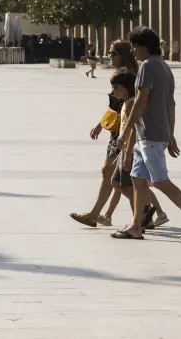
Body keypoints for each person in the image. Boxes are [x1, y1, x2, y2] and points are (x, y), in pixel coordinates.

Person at [112, 26, 181, 243]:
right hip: (151, 134)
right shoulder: (164, 67)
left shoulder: (147, 66)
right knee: (138, 179)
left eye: (134, 46)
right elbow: (171, 104)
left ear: (144, 47)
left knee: (159, 181)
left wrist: (126, 131)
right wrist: (170, 133)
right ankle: (136, 225)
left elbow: (140, 101)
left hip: (149, 134)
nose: (132, 51)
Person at [70, 41, 166, 229]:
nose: (110, 56)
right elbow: (114, 107)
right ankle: (142, 215)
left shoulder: (131, 76)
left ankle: (139, 215)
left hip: (125, 133)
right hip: (119, 130)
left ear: (123, 54)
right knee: (121, 178)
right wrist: (100, 124)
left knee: (120, 177)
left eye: (113, 53)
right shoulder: (123, 75)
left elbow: (135, 106)